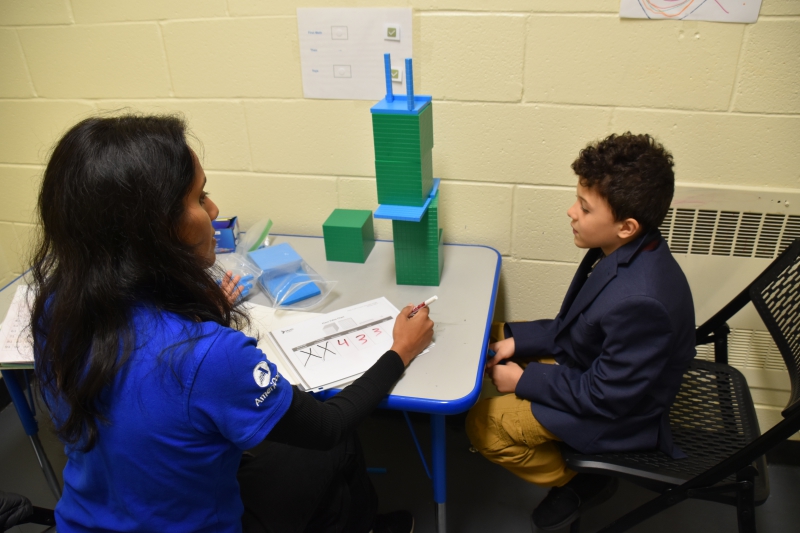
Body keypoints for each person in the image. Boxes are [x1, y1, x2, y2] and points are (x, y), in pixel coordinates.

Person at [30, 114, 434, 533]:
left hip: (86, 520)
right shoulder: (208, 357)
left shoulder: (54, 310)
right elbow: (328, 425)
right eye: (200, 198)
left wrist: (187, 306)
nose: (214, 210)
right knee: (334, 443)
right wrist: (400, 350)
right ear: (155, 231)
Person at [466, 132, 696, 531]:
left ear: (626, 226)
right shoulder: (626, 247)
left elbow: (603, 396)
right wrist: (516, 340)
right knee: (489, 336)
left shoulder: (643, 302)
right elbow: (575, 327)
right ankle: (574, 468)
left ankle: (582, 481)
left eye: (585, 208)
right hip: (596, 369)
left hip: (618, 413)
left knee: (482, 426)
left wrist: (523, 380)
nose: (571, 212)